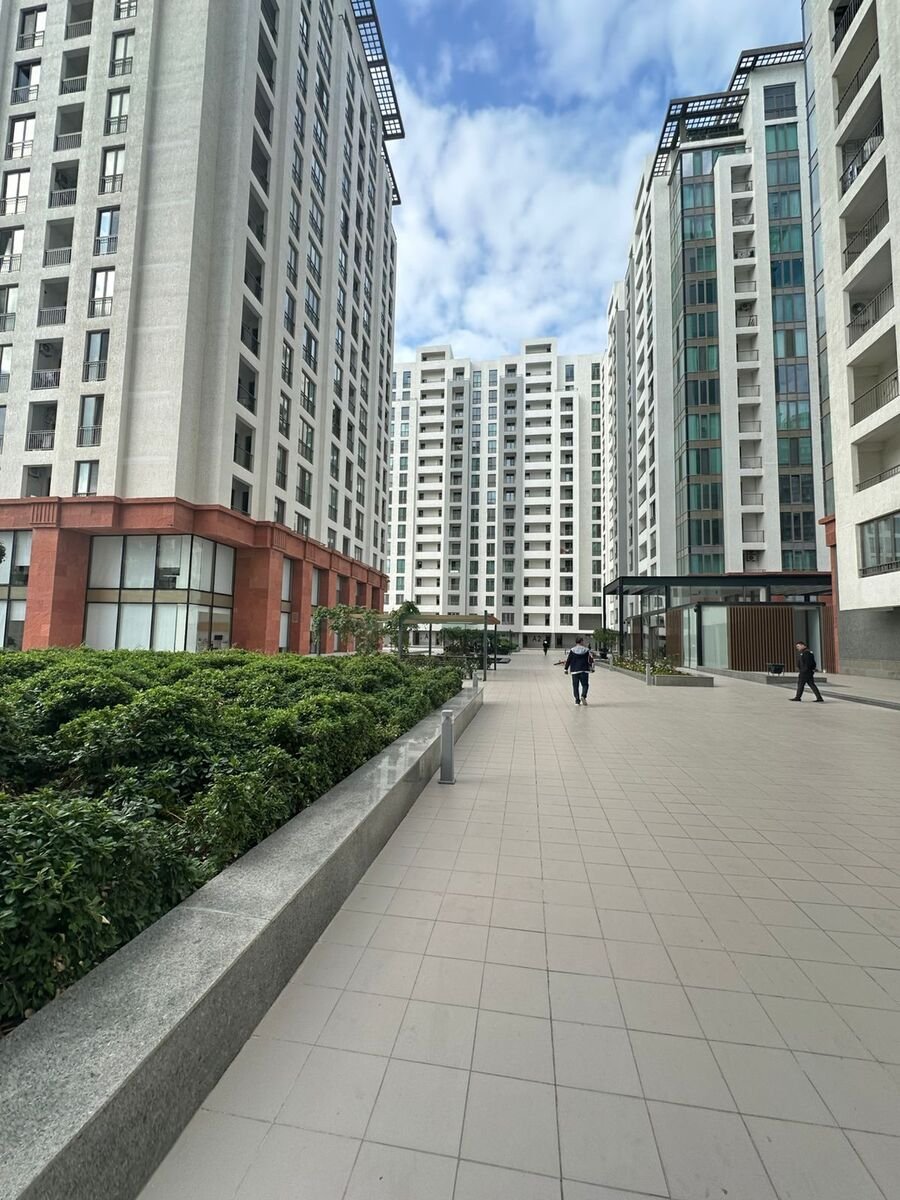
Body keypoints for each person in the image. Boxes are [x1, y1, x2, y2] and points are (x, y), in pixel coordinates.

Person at [564, 637, 595, 705]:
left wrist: (566, 669)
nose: (583, 642)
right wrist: (592, 668)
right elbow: (591, 659)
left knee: (575, 686)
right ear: (581, 641)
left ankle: (577, 701)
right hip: (584, 670)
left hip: (574, 670)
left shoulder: (572, 650)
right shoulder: (586, 650)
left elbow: (569, 660)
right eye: (583, 641)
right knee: (585, 685)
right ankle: (583, 696)